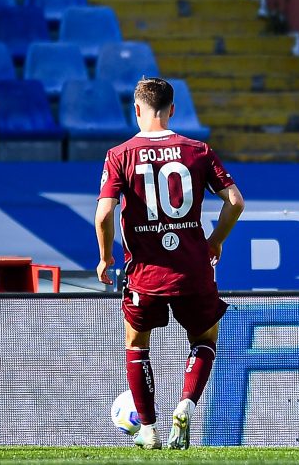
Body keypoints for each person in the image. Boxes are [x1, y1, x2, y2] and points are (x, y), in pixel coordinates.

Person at [95, 77, 245, 450]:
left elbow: (103, 215)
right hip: (193, 269)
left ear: (137, 109)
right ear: (173, 109)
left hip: (145, 274)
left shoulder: (120, 155)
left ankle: (147, 429)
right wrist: (214, 241)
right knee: (205, 339)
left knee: (136, 344)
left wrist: (105, 257)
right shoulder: (198, 150)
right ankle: (186, 403)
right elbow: (236, 202)